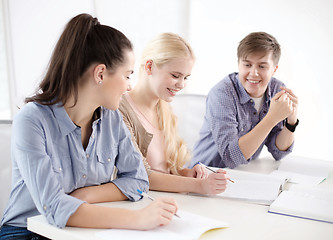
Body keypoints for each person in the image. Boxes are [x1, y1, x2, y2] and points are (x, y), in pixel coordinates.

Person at [0, 14, 179, 240]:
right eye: (127, 75)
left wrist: (84, 195)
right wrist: (138, 219)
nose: (129, 86)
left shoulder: (112, 118)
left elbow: (138, 180)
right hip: (25, 232)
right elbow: (53, 207)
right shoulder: (32, 120)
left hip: (85, 230)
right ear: (100, 73)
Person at [119, 32, 228, 195]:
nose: (181, 84)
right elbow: (142, 175)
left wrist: (188, 174)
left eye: (186, 77)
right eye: (175, 76)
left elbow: (165, 169)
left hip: (166, 200)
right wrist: (198, 186)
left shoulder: (163, 106)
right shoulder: (120, 109)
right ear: (149, 67)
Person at [190, 32, 299, 169]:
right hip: (205, 173)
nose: (253, 73)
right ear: (238, 64)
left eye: (262, 66)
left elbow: (278, 152)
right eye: (247, 65)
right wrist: (272, 118)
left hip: (242, 175)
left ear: (274, 69)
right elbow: (231, 157)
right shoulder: (222, 93)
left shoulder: (277, 89)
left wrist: (291, 121)